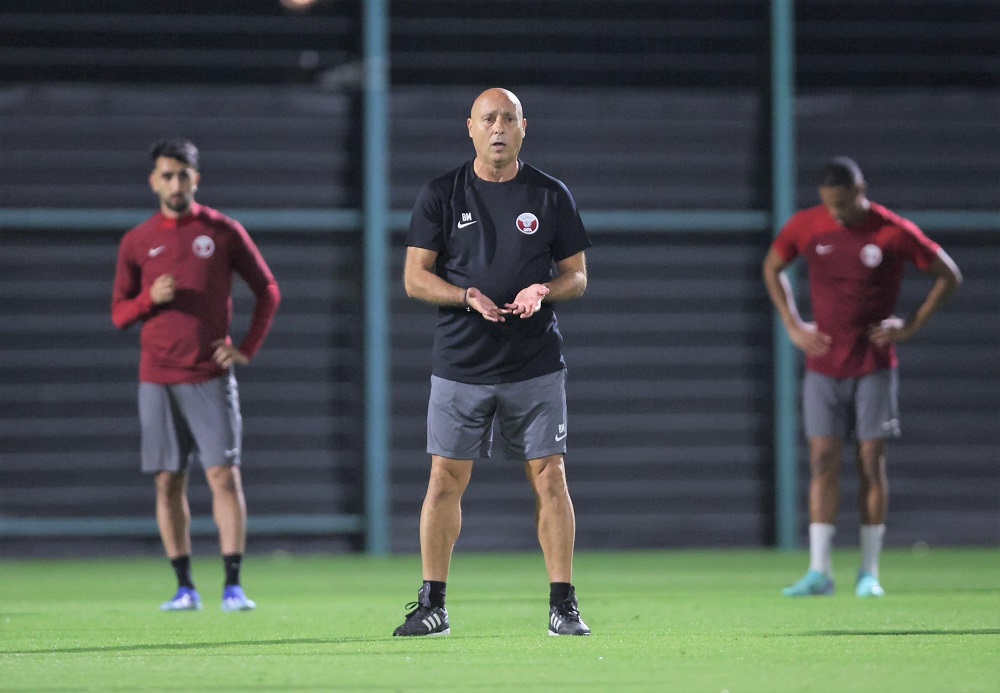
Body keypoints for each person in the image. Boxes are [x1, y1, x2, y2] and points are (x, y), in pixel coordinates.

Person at [394, 88, 592, 636]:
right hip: (460, 362)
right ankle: (432, 605)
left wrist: (543, 290)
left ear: (524, 127)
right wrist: (465, 297)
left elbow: (577, 276)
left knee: (551, 477)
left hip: (535, 364)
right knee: (444, 480)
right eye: (488, 119)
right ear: (471, 128)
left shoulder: (550, 194)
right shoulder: (441, 194)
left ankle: (563, 605)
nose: (498, 127)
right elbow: (414, 278)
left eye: (508, 118)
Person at [763, 156, 961, 598]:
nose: (836, 212)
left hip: (873, 364)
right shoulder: (807, 226)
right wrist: (793, 325)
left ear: (860, 191)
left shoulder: (891, 231)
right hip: (823, 366)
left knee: (871, 462)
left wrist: (910, 325)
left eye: (843, 203)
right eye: (829, 204)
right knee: (822, 461)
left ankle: (869, 572)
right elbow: (772, 266)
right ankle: (819, 571)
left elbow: (948, 275)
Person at [112, 139, 280, 612]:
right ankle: (184, 586)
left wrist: (245, 348)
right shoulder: (138, 241)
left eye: (182, 174)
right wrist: (149, 299)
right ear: (154, 182)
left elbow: (267, 289)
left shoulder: (222, 231)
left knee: (224, 476)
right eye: (166, 175)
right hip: (157, 378)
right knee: (168, 481)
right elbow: (119, 315)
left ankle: (233, 586)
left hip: (208, 375)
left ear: (196, 179)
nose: (175, 183)